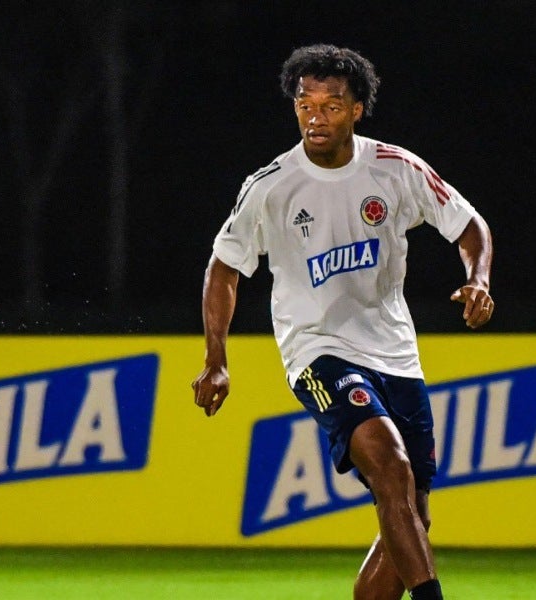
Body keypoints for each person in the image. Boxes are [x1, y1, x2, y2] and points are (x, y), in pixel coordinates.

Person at [192, 44, 493, 600]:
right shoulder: (271, 187)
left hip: (395, 354)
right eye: (305, 104)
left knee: (411, 520)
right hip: (316, 352)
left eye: (331, 105)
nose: (315, 116)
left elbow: (468, 223)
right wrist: (216, 360)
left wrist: (478, 279)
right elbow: (223, 269)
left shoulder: (395, 169)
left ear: (357, 109)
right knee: (389, 463)